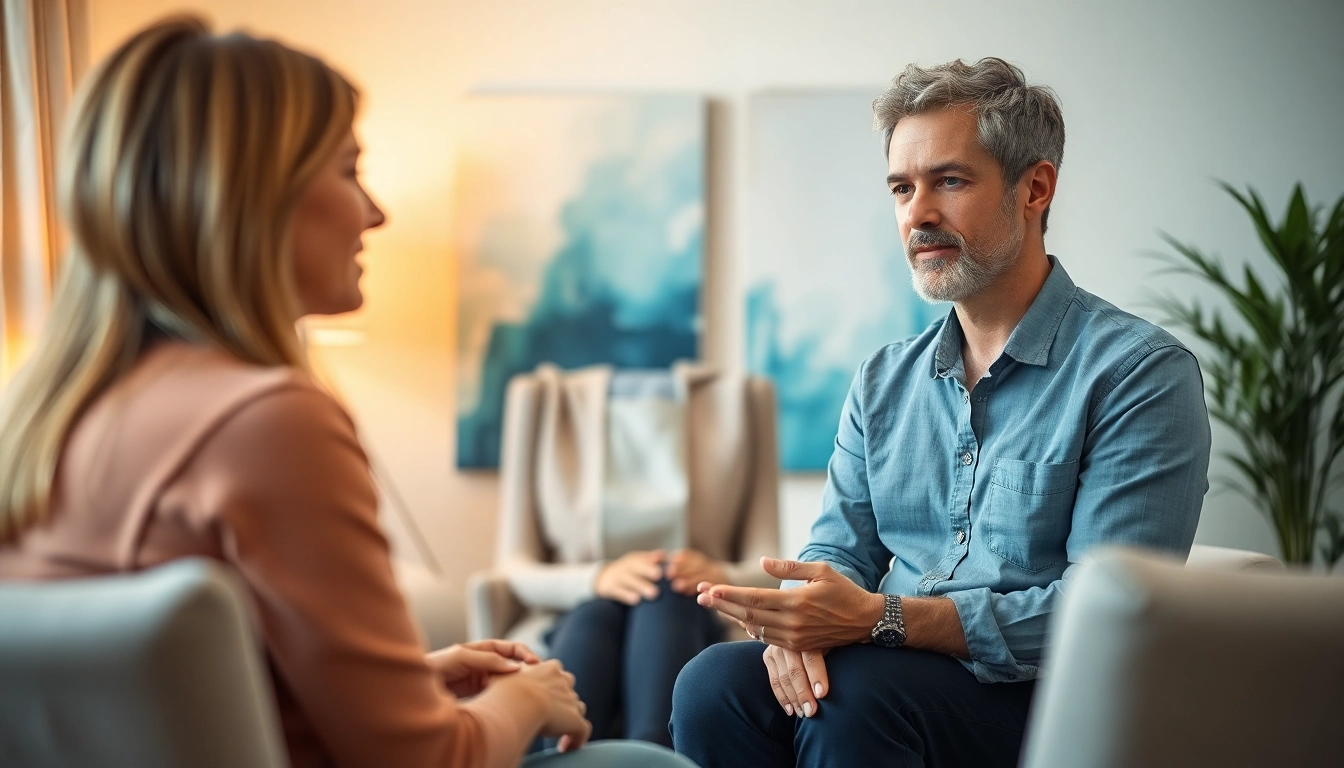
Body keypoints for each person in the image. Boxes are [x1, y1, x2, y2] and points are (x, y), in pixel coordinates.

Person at [0, 16, 694, 768]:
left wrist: (412, 681)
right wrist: (525, 696)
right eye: (347, 170)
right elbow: (427, 762)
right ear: (248, 194)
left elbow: (179, 706)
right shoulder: (265, 423)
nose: (376, 212)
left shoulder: (41, 416)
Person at [671, 57, 1212, 767]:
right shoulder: (883, 379)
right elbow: (840, 550)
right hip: (883, 674)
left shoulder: (1139, 374)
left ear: (1035, 189)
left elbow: (1102, 616)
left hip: (1039, 698)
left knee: (858, 698)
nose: (918, 214)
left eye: (949, 181)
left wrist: (886, 619)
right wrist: (793, 628)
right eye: (902, 188)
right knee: (711, 682)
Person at [493, 362, 780, 749]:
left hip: (688, 598)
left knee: (664, 597)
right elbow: (513, 567)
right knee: (597, 613)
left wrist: (718, 572)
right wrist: (596, 579)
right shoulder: (542, 401)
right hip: (585, 600)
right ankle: (642, 752)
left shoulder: (743, 400)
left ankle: (630, 751)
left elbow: (771, 566)